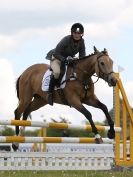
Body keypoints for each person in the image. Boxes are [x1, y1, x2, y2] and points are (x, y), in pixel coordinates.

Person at [46, 23, 86, 105]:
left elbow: (82, 57)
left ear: (81, 34)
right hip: (56, 58)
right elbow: (57, 53)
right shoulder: (66, 40)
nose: (77, 35)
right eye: (75, 33)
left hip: (68, 59)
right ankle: (50, 93)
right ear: (72, 33)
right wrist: (65, 60)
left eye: (79, 33)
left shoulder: (82, 42)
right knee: (57, 72)